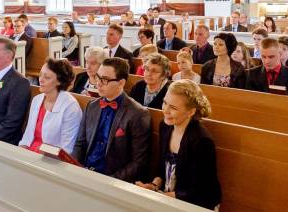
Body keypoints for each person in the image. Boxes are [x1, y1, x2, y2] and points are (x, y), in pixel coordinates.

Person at [136, 81, 221, 209]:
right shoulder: (165, 126)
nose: (165, 110)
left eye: (173, 107)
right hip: (170, 197)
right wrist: (154, 186)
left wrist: (161, 197)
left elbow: (200, 191)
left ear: (191, 112)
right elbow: (162, 166)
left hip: (197, 203)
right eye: (165, 103)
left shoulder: (202, 141)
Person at [72, 57, 151, 182]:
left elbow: (138, 162)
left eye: (105, 80)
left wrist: (110, 181)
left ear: (121, 83)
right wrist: (76, 169)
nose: (98, 83)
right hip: (85, 172)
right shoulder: (92, 106)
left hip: (113, 179)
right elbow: (80, 144)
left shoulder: (138, 113)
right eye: (98, 77)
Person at [19, 58, 82, 154]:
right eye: (40, 75)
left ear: (59, 81)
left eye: (47, 77)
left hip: (50, 158)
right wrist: (19, 154)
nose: (41, 80)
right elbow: (27, 137)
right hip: (30, 153)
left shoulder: (71, 107)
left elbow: (66, 149)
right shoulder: (37, 100)